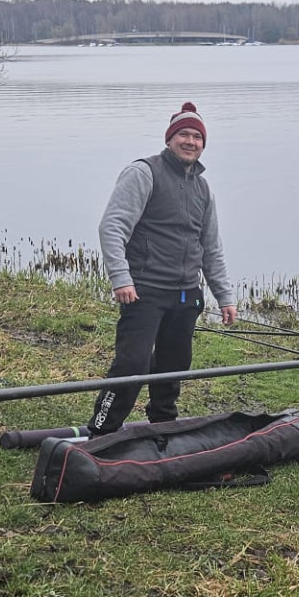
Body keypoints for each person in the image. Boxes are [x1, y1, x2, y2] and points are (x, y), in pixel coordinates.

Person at [87, 101, 238, 437]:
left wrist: (225, 297)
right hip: (144, 291)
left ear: (203, 144)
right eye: (184, 135)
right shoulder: (144, 172)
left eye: (197, 137)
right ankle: (101, 430)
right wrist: (121, 278)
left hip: (186, 293)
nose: (190, 142)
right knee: (133, 364)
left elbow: (211, 248)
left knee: (174, 365)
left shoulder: (203, 188)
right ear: (170, 139)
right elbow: (112, 227)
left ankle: (163, 425)